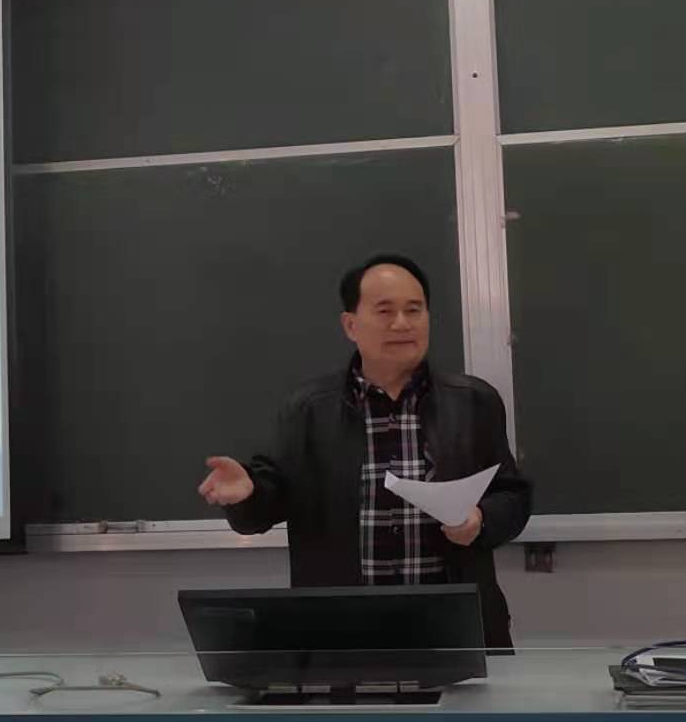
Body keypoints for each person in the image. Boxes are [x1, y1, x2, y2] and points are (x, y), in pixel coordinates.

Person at [198, 254, 532, 648]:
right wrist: (247, 494)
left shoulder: (473, 401)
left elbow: (512, 496)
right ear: (351, 325)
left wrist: (481, 519)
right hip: (343, 630)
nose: (402, 324)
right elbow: (271, 501)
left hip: (455, 626)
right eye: (385, 311)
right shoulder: (309, 409)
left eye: (414, 310)